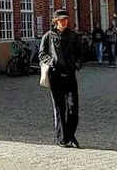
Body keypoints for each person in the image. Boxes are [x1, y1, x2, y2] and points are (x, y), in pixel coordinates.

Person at [39, 9, 83, 148]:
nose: (64, 22)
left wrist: (77, 64)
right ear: (55, 21)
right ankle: (62, 139)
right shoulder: (48, 37)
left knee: (73, 108)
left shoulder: (73, 36)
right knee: (60, 108)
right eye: (61, 20)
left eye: (65, 20)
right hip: (55, 76)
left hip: (70, 76)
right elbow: (42, 55)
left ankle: (70, 135)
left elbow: (80, 53)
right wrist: (52, 62)